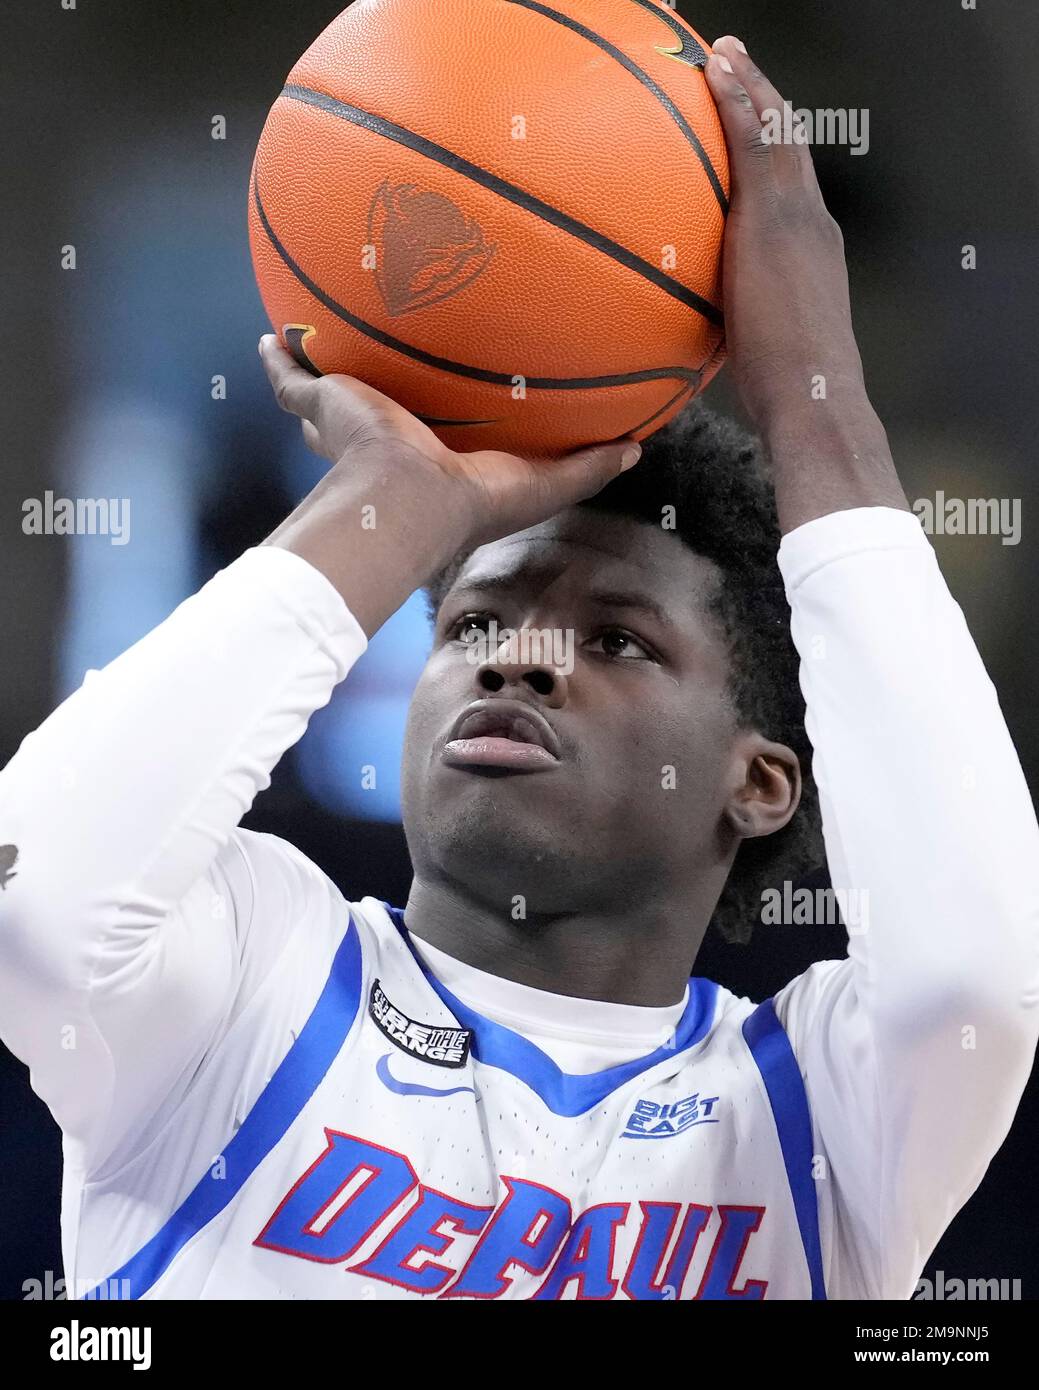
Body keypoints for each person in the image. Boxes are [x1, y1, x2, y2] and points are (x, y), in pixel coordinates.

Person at [1, 38, 1036, 1301]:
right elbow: (32, 904)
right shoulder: (252, 974)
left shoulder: (816, 1110)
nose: (519, 665)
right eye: (475, 625)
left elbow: (969, 983)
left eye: (616, 640)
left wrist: (819, 411)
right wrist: (392, 501)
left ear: (758, 780)